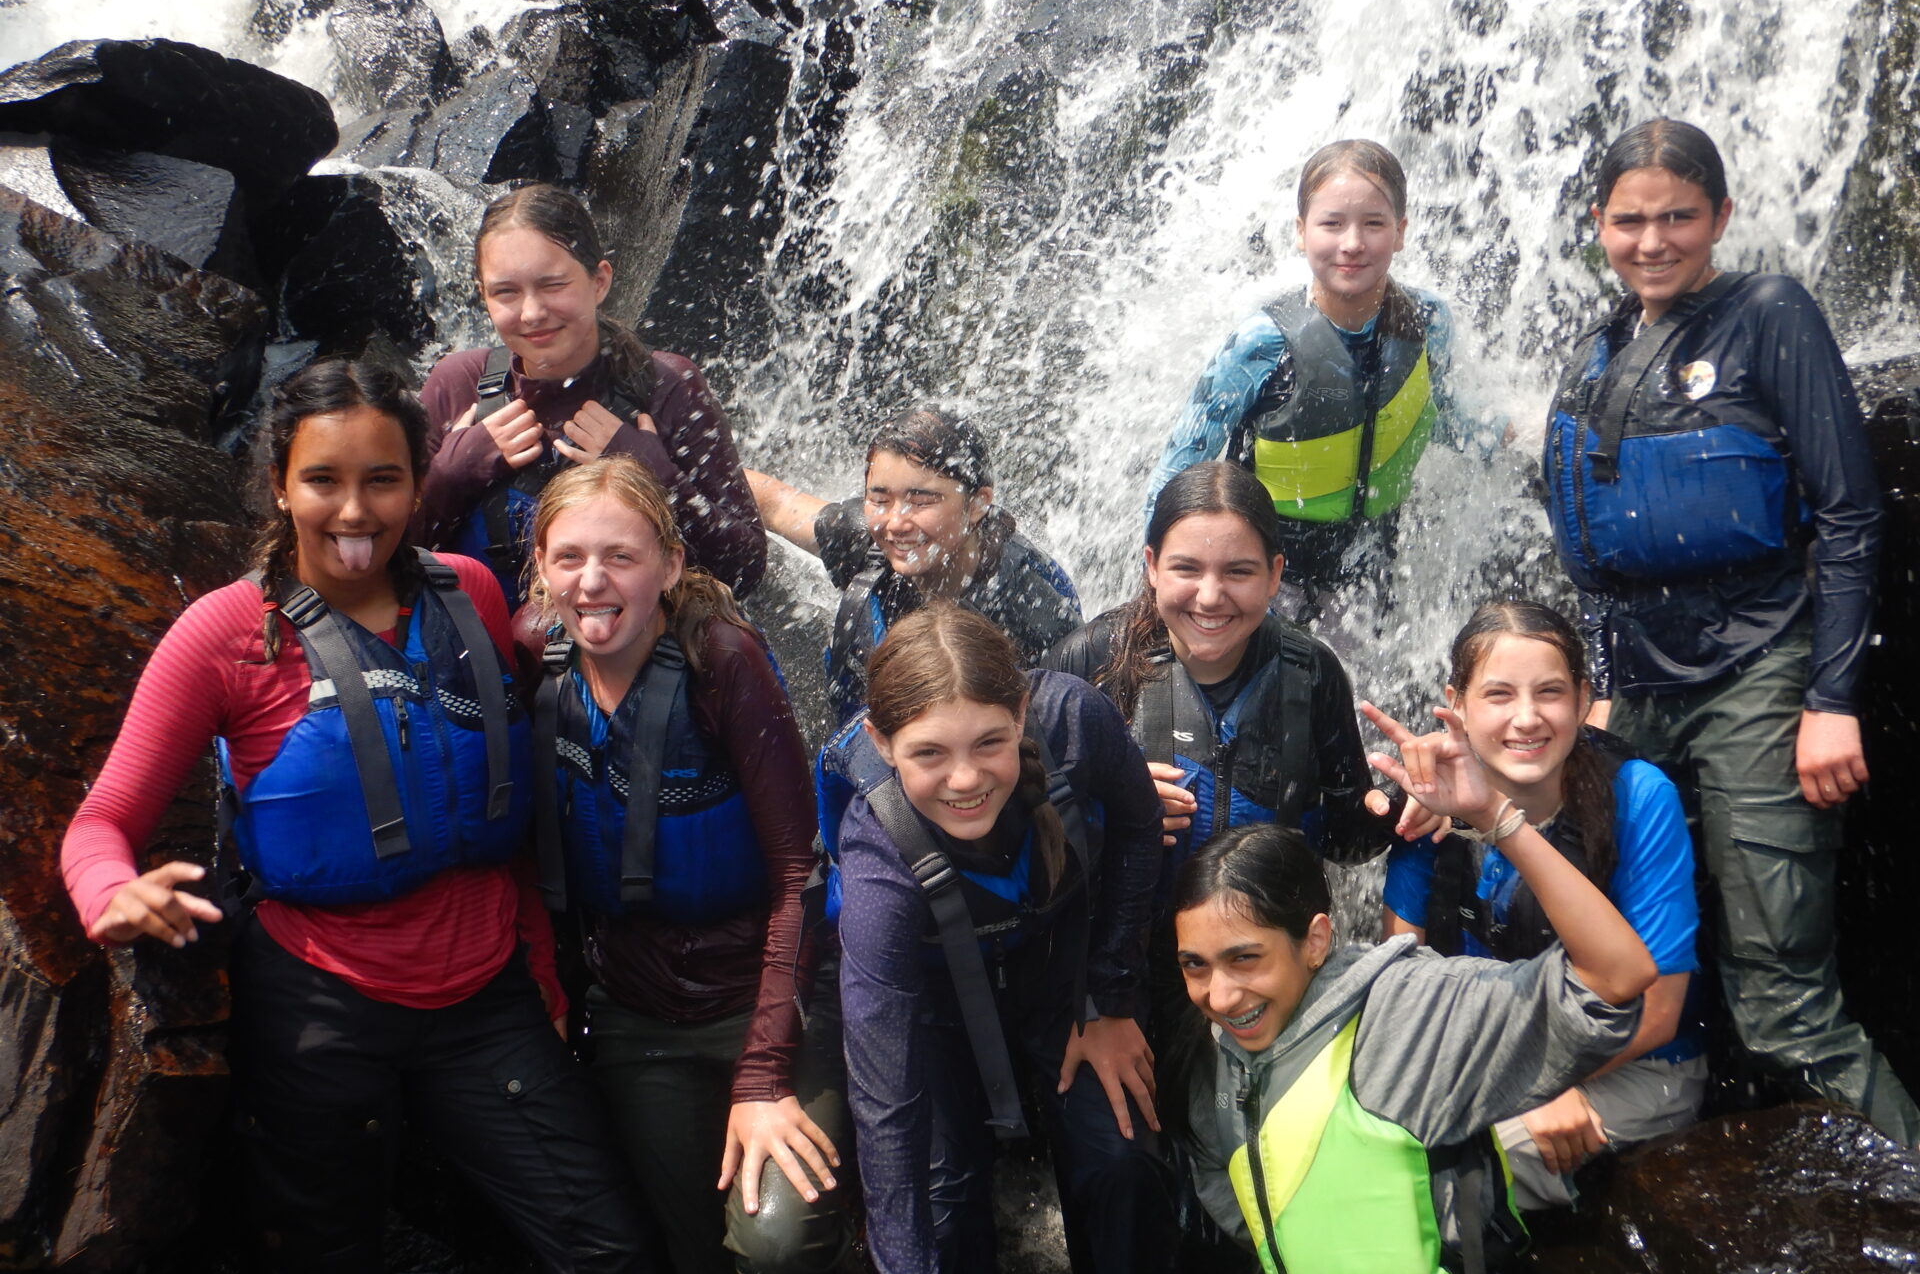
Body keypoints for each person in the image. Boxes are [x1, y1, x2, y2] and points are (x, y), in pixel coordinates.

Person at [60, 361, 662, 1274]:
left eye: (382, 479)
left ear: (419, 483)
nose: (353, 509)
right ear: (278, 486)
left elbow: (512, 774)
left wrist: (546, 978)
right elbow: (101, 824)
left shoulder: (466, 594)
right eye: (323, 480)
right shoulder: (224, 637)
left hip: (487, 1005)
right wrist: (109, 896)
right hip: (317, 1017)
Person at [1542, 117, 1919, 1145]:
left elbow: (1849, 513)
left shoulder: (1768, 315)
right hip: (1637, 687)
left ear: (1721, 217)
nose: (1652, 240)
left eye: (1678, 217)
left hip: (1757, 666)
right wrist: (1601, 688)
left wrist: (1829, 701)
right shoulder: (1600, 345)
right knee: (1597, 950)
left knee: (1786, 1005)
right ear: (1598, 226)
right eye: (1629, 221)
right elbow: (1590, 540)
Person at [525, 455, 852, 1274]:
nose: (592, 582)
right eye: (569, 558)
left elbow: (798, 870)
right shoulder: (536, 662)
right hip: (635, 1016)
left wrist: (763, 1072)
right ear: (542, 567)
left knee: (779, 1248)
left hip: (760, 994)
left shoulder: (722, 661)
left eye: (621, 557)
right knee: (689, 1263)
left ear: (669, 565)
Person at [818, 604, 1181, 1274]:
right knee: (942, 1208)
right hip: (936, 1005)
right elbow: (886, 1108)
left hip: (1060, 975)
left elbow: (1140, 823)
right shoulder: (879, 859)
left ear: (1022, 712)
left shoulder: (1076, 720)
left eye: (991, 742)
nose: (965, 780)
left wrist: (1110, 998)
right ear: (881, 742)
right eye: (928, 755)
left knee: (1124, 1164)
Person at [1170, 793, 1656, 1274]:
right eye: (1196, 966)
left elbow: (1612, 983)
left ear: (1314, 941)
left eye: (1244, 959)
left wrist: (1499, 820)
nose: (1220, 996)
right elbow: (1232, 1190)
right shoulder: (1216, 1054)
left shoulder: (1407, 1011)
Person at [1379, 601, 1705, 1208]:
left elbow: (1658, 1012)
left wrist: (1546, 1083)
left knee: (1447, 1181)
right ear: (1457, 701)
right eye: (1499, 695)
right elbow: (1403, 974)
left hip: (1633, 1065)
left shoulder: (1637, 797)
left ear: (1583, 700)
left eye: (1550, 693)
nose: (1526, 719)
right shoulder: (1437, 795)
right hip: (1486, 1059)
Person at [1143, 139, 1480, 630]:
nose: (1352, 243)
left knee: (1352, 702)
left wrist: (1513, 437)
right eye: (1331, 223)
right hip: (1266, 580)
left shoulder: (1429, 322)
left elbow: (1442, 413)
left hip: (1372, 574)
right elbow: (1181, 464)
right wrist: (1156, 587)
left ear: (1401, 232)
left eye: (1373, 223)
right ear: (1301, 233)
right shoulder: (1262, 342)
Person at [418, 182, 764, 610]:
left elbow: (745, 567)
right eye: (506, 292)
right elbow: (382, 559)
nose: (532, 312)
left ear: (599, 281)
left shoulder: (665, 386)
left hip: (627, 660)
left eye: (552, 285)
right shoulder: (457, 384)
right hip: (483, 666)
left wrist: (655, 476)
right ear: (483, 295)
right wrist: (450, 476)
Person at [1045, 460, 1382, 872]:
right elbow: (1019, 828)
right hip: (1134, 932)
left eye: (1238, 572)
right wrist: (1108, 804)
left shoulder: (1310, 673)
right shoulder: (1091, 662)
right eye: (1186, 568)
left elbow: (1347, 844)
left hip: (1262, 930)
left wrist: (1405, 806)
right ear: (1152, 566)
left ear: (1275, 575)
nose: (1209, 597)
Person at [747, 404, 1082, 722]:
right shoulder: (865, 540)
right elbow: (775, 504)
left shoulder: (1034, 610)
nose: (895, 523)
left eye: (920, 501)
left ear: (978, 503)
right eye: (879, 499)